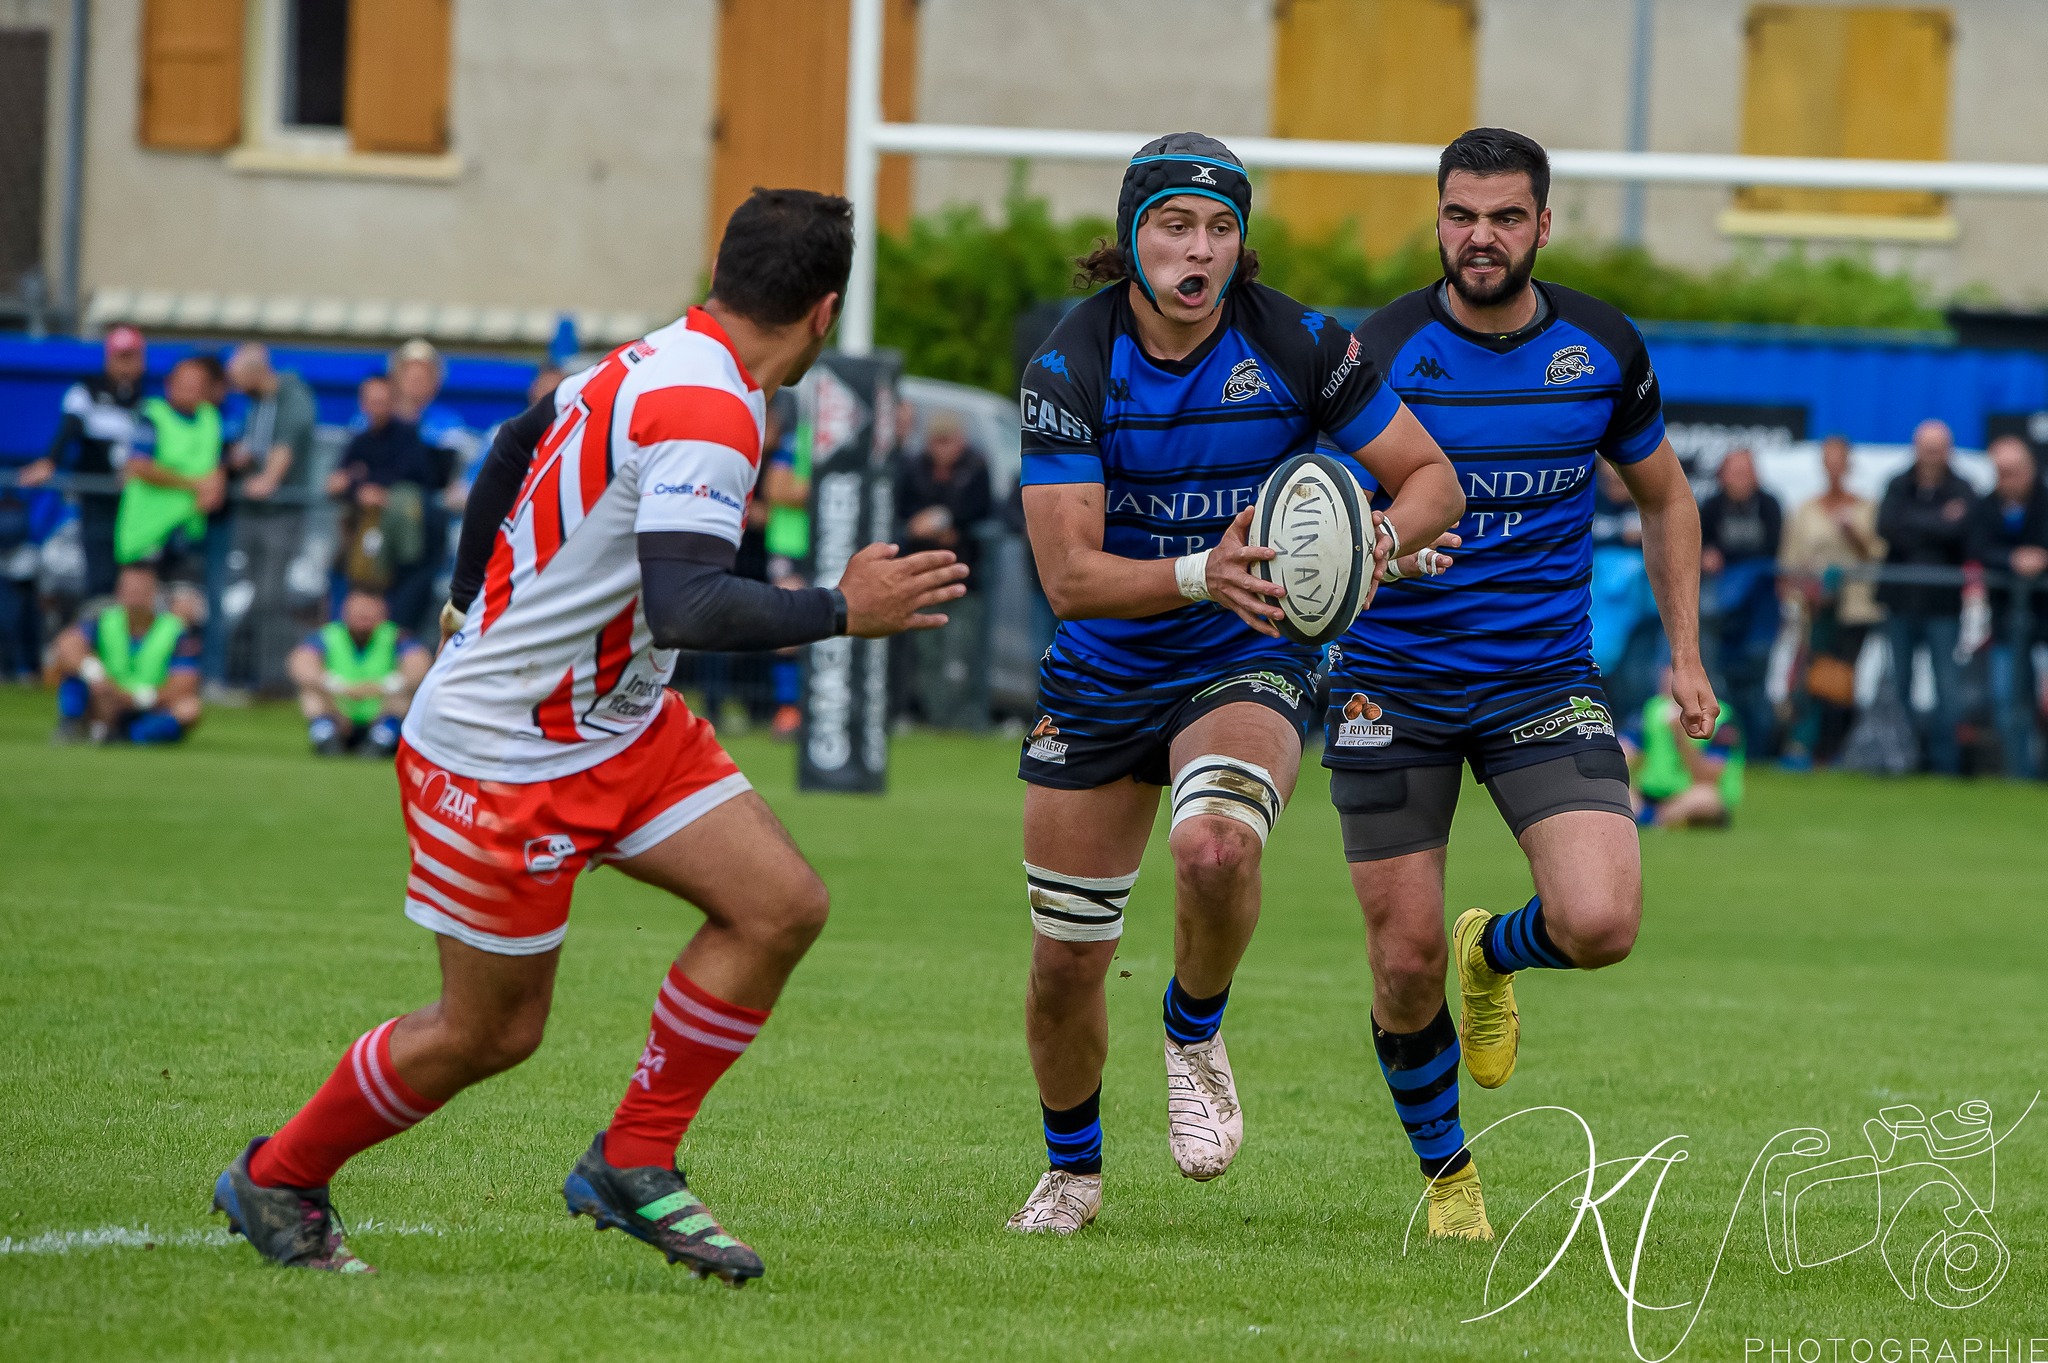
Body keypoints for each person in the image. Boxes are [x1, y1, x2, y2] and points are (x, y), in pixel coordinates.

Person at [211, 187, 968, 1282]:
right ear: (825, 310)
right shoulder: (710, 408)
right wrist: (842, 608)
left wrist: (469, 593)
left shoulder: (659, 353)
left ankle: (634, 1156)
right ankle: (278, 1174)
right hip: (505, 755)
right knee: (490, 1033)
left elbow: (521, 434)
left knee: (778, 904)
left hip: (619, 727)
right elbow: (688, 607)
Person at [1009, 132, 1462, 1235]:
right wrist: (1195, 569)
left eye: (1218, 228)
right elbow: (1068, 578)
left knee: (1216, 843)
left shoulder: (1302, 342)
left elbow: (1432, 481)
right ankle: (1072, 1171)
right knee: (1068, 961)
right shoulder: (1070, 365)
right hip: (1107, 666)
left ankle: (1191, 1022)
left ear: (1239, 245)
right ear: (1130, 239)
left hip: (1243, 649)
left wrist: (1372, 545)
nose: (1196, 248)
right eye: (1172, 225)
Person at [1320, 128, 1714, 1241]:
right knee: (1399, 968)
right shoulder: (1378, 350)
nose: (1477, 236)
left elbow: (1667, 499)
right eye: (1458, 214)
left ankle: (1491, 950)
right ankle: (1450, 1181)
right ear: (1435, 220)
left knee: (1600, 922)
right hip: (1388, 687)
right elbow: (1317, 510)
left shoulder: (1599, 346)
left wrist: (1683, 656)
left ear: (1542, 224)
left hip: (1539, 678)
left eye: (1502, 216)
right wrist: (1384, 542)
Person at [20, 325, 149, 599]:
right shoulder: (85, 391)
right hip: (98, 500)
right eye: (120, 357)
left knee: (134, 572)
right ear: (108, 358)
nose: (126, 366)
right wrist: (50, 461)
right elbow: (70, 428)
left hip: (137, 502)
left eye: (132, 357)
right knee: (99, 568)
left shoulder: (148, 401)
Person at [1779, 435, 1884, 766]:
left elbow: (1877, 554)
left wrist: (1852, 533)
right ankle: (1806, 743)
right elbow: (1790, 560)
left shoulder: (1866, 508)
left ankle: (1836, 745)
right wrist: (1800, 594)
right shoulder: (1806, 509)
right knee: (1810, 678)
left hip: (1854, 609)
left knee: (1842, 680)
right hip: (1815, 608)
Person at [1877, 419, 1973, 775]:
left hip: (1943, 606)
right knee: (1897, 685)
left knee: (1947, 686)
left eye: (1938, 448)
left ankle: (1944, 765)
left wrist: (1916, 525)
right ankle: (1898, 759)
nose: (1932, 455)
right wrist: (1938, 524)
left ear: (1948, 450)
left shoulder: (1963, 487)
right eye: (1926, 447)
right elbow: (1887, 528)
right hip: (1900, 601)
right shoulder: (1898, 484)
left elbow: (1963, 532)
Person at [225, 343, 321, 692]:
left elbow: (285, 445)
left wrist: (267, 479)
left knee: (272, 596)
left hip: (280, 515)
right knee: (249, 593)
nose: (236, 388)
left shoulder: (293, 396)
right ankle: (244, 669)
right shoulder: (255, 407)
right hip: (252, 514)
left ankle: (273, 676)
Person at [898, 408, 994, 729]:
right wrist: (920, 526)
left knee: (961, 653)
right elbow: (905, 513)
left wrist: (944, 522)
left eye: (948, 441)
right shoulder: (914, 468)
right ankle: (934, 717)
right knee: (927, 652)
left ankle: (960, 721)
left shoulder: (976, 466)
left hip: (965, 577)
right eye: (936, 442)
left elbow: (980, 510)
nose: (942, 450)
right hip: (924, 579)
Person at [1966, 435, 2048, 778]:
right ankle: (2019, 774)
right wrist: (2012, 559)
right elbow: (1977, 547)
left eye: (2013, 472)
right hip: (2005, 620)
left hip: (2045, 617)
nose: (2006, 480)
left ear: (2030, 469)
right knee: (2007, 700)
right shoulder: (1985, 507)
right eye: (2000, 472)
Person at [50, 562, 203, 744]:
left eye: (140, 591)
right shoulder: (105, 620)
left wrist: (140, 699)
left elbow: (185, 682)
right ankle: (71, 725)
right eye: (128, 590)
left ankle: (125, 736)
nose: (134, 598)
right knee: (73, 674)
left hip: (147, 702)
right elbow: (66, 644)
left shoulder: (174, 629)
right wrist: (95, 673)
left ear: (154, 595)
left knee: (189, 709)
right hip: (104, 696)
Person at [1698, 448, 1783, 758]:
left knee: (1756, 683)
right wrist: (1707, 553)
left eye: (1746, 472)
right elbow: (1700, 543)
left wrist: (1733, 561)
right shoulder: (1710, 506)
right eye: (1735, 472)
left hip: (1759, 612)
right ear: (1722, 476)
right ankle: (1722, 750)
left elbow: (1772, 551)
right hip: (1720, 612)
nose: (1741, 479)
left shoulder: (1769, 505)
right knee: (1720, 682)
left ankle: (1759, 752)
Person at [328, 375, 436, 610]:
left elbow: (411, 475)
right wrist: (359, 488)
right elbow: (337, 482)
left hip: (400, 547)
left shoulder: (407, 436)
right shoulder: (360, 440)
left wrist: (362, 479)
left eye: (382, 400)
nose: (377, 406)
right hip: (362, 537)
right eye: (371, 400)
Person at [116, 355, 225, 583]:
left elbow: (218, 459)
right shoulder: (151, 415)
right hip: (147, 531)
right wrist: (195, 485)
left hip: (188, 531)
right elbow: (138, 465)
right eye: (184, 383)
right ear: (169, 384)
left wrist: (217, 482)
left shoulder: (210, 418)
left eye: (195, 385)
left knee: (184, 609)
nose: (189, 389)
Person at [287, 587, 431, 756]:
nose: (363, 618)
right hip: (339, 709)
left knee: (404, 696)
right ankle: (326, 736)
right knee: (311, 694)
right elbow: (300, 662)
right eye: (358, 612)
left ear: (382, 614)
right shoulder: (329, 635)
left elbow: (419, 663)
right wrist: (336, 686)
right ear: (345, 612)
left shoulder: (394, 636)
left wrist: (386, 686)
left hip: (380, 709)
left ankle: (382, 738)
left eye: (369, 613)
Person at [1625, 667, 1744, 827]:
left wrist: (1681, 737)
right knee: (1614, 789)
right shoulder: (1652, 710)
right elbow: (1625, 748)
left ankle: (1653, 818)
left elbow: (1707, 776)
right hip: (1651, 792)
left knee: (1706, 798)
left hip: (1692, 792)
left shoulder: (1720, 719)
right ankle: (1654, 817)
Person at [761, 389, 808, 737]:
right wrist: (820, 489)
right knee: (789, 631)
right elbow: (776, 489)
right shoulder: (796, 441)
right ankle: (787, 709)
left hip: (822, 545)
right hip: (790, 547)